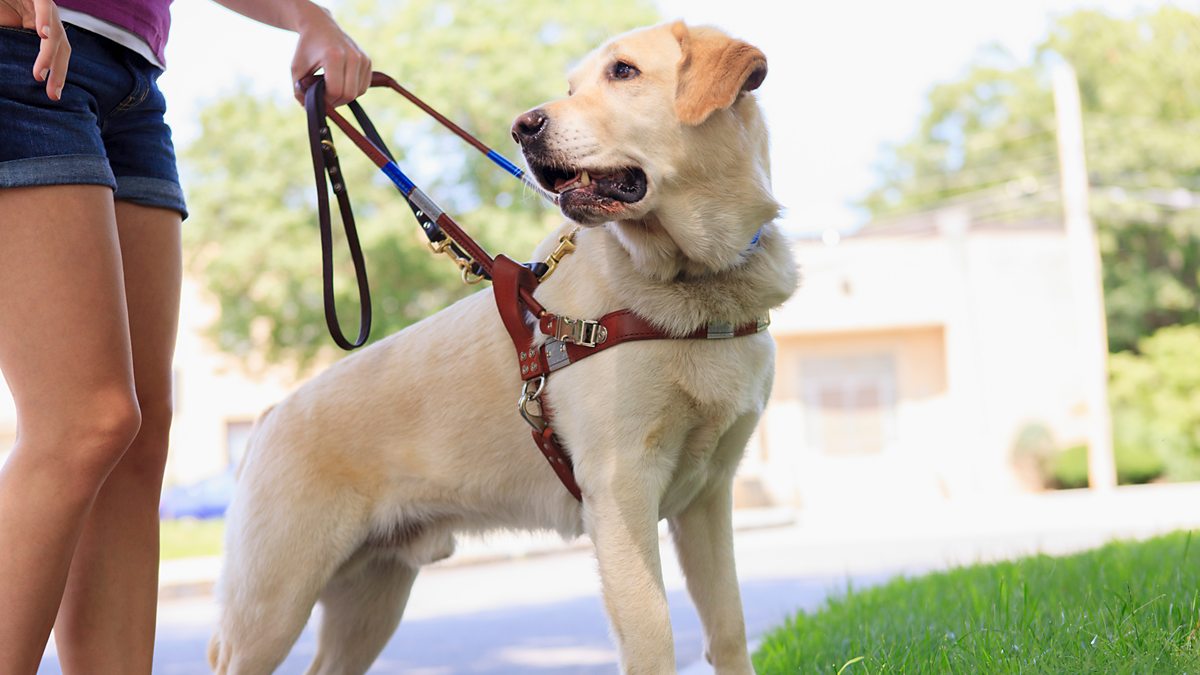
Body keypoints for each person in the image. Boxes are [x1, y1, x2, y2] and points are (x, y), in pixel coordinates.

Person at [0, 0, 371, 671]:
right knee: (85, 423)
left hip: (133, 83)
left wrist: (304, 15)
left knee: (137, 442)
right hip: (20, 50)